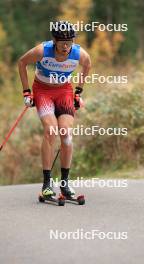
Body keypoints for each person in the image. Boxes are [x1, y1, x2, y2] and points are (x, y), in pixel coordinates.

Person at [18, 21, 91, 197]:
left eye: (70, 42)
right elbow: (21, 63)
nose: (66, 46)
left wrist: (78, 92)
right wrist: (26, 92)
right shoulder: (42, 51)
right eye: (62, 43)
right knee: (51, 131)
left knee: (66, 133)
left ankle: (65, 184)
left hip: (64, 91)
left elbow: (87, 65)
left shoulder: (78, 53)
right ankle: (47, 183)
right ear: (54, 41)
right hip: (42, 91)